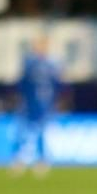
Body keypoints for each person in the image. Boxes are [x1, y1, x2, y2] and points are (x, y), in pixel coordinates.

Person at [12, 34, 62, 176]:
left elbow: (57, 86)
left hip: (45, 106)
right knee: (22, 133)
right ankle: (19, 160)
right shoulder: (30, 63)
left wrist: (55, 103)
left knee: (41, 133)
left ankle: (42, 160)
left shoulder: (52, 65)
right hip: (28, 105)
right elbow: (22, 84)